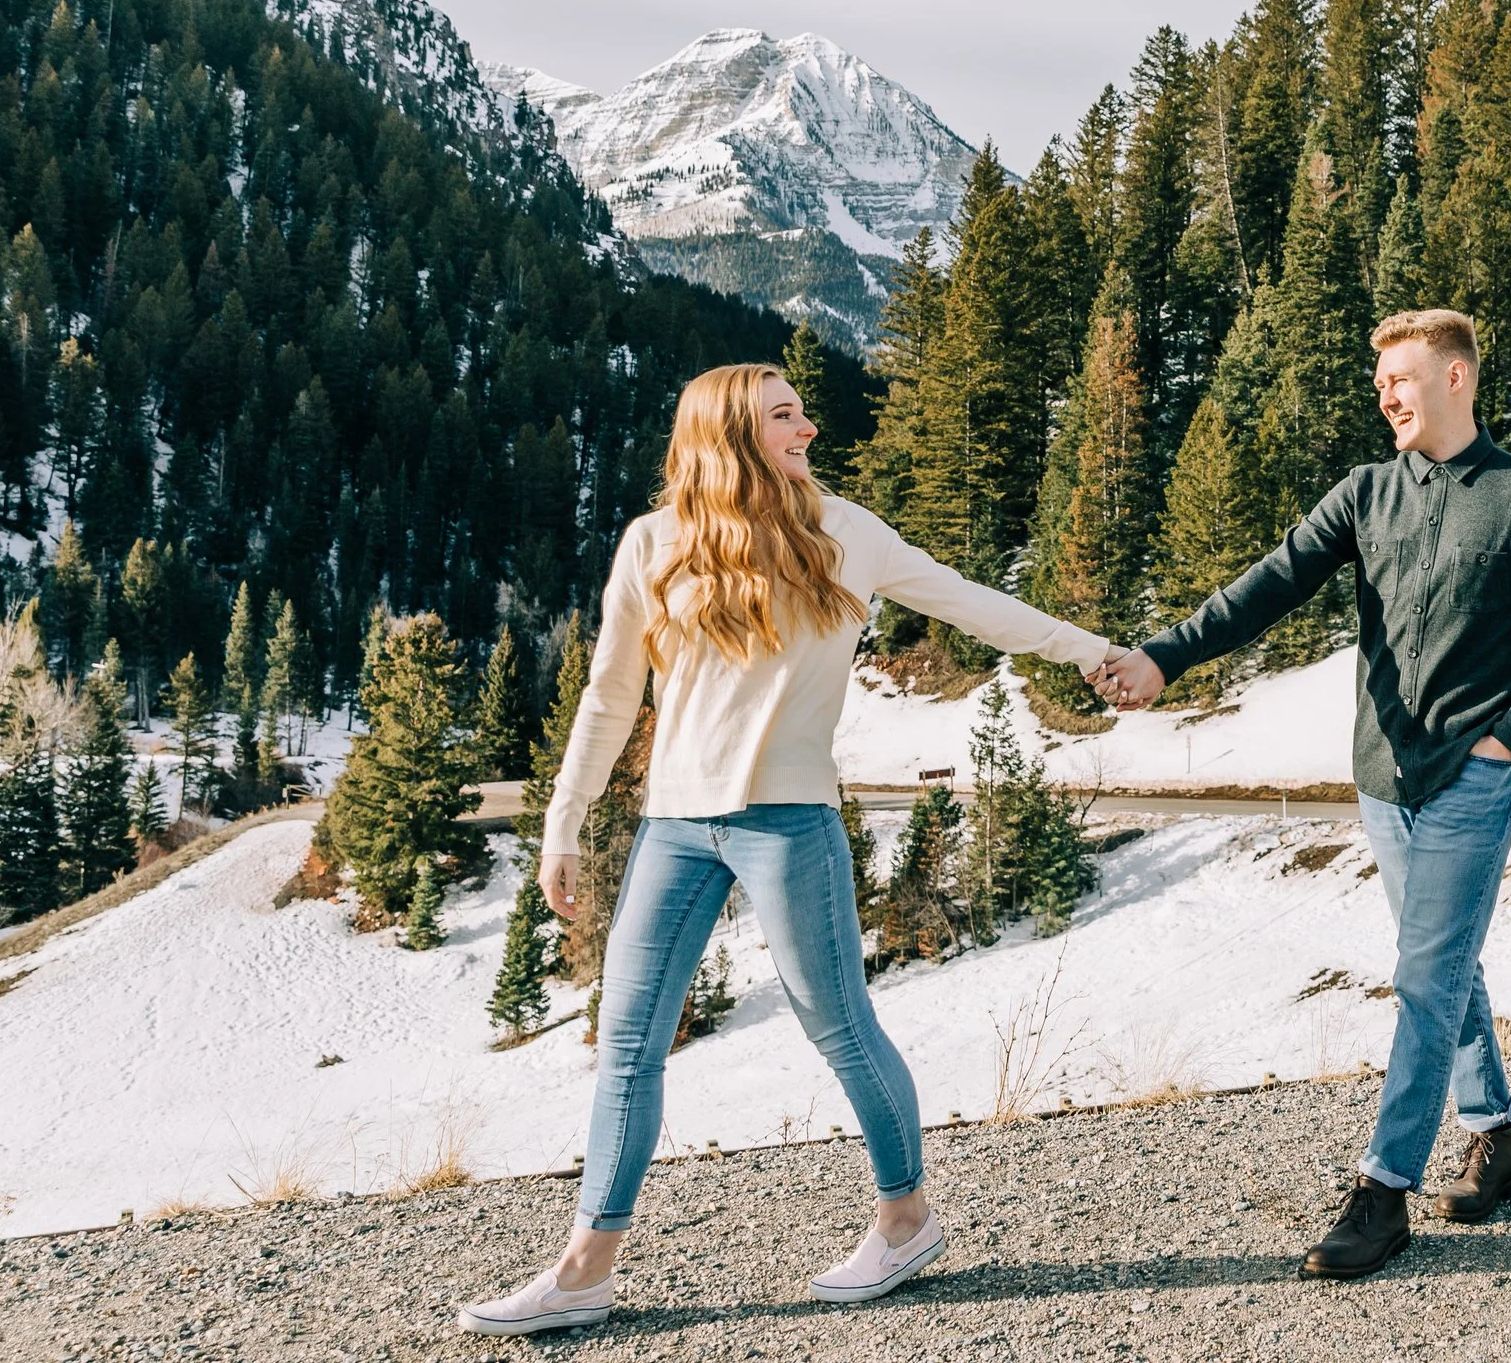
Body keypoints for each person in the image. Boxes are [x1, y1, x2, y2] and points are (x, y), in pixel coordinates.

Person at [459, 362, 1117, 1337]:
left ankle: (906, 1219)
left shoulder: (846, 531)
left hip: (789, 821)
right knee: (629, 1044)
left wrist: (1090, 650)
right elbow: (607, 697)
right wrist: (564, 819)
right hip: (673, 827)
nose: (807, 429)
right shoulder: (655, 542)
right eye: (783, 416)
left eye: (801, 412)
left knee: (839, 1025)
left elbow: (970, 600)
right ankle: (584, 1266)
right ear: (726, 433)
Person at [1094, 307, 1511, 1281]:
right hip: (1381, 777)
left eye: (1401, 378)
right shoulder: (1366, 492)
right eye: (1379, 384)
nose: (1386, 395)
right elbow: (1265, 586)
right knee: (1444, 964)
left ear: (1456, 377)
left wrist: (1503, 742)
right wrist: (1164, 656)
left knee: (1426, 974)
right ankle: (1495, 1135)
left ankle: (1382, 1188)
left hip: (1469, 778)